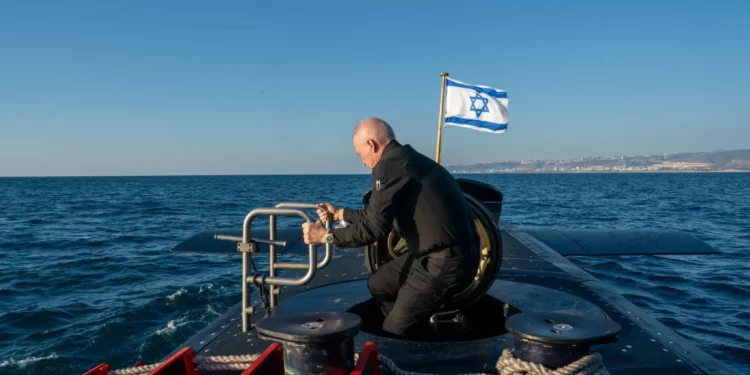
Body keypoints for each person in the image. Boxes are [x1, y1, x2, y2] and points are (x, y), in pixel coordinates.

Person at [301, 117, 477, 337]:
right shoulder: (404, 159)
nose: (363, 162)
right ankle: (413, 328)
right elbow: (376, 216)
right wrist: (339, 213)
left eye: (360, 155)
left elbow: (374, 229)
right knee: (379, 284)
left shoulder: (388, 165)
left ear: (371, 145)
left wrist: (326, 236)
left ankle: (403, 336)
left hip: (446, 262)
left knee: (395, 330)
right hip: (435, 255)